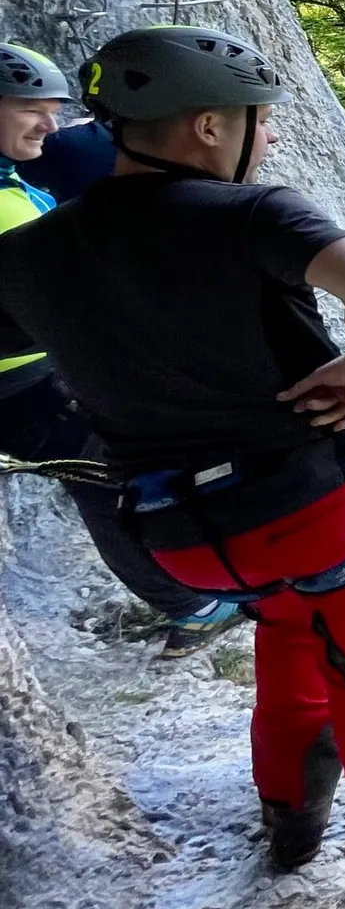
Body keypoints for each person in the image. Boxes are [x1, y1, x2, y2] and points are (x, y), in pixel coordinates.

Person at [0, 26, 345, 887]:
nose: (267, 136)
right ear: (208, 126)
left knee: (287, 623)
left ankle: (292, 811)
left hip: (184, 534)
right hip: (317, 504)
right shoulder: (252, 214)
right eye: (258, 120)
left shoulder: (32, 251)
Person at [0, 41, 242, 657]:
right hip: (26, 385)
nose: (49, 125)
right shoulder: (6, 207)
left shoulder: (13, 180)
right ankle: (193, 605)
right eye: (32, 109)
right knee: (110, 486)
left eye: (55, 110)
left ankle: (195, 593)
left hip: (33, 374)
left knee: (112, 480)